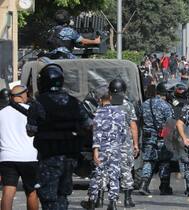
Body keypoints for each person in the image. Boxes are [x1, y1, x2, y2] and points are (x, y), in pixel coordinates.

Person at [26, 63, 91, 210]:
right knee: (62, 195)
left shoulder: (39, 104)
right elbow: (88, 125)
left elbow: (31, 130)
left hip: (49, 157)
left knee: (48, 197)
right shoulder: (74, 102)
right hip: (70, 158)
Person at [82, 87, 126, 210]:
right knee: (114, 175)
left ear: (100, 100)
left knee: (97, 175)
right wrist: (117, 144)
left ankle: (92, 201)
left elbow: (96, 134)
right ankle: (112, 203)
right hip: (115, 148)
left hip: (101, 149)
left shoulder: (98, 113)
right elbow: (123, 133)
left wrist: (95, 150)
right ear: (111, 98)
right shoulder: (120, 113)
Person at [0, 85, 39, 210]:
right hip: (30, 157)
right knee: (32, 192)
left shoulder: (1, 113)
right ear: (24, 95)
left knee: (8, 191)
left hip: (7, 158)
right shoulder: (33, 112)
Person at [139, 82, 174, 195]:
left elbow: (140, 120)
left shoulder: (145, 104)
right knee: (164, 162)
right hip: (161, 137)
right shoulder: (166, 106)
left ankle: (144, 185)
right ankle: (164, 187)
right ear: (166, 93)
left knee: (148, 161)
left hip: (147, 136)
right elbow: (170, 124)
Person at [109, 79, 139, 207]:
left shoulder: (105, 104)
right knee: (126, 170)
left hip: (109, 144)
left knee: (112, 172)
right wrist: (136, 144)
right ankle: (127, 199)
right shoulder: (128, 105)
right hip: (125, 144)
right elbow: (133, 126)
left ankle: (112, 201)